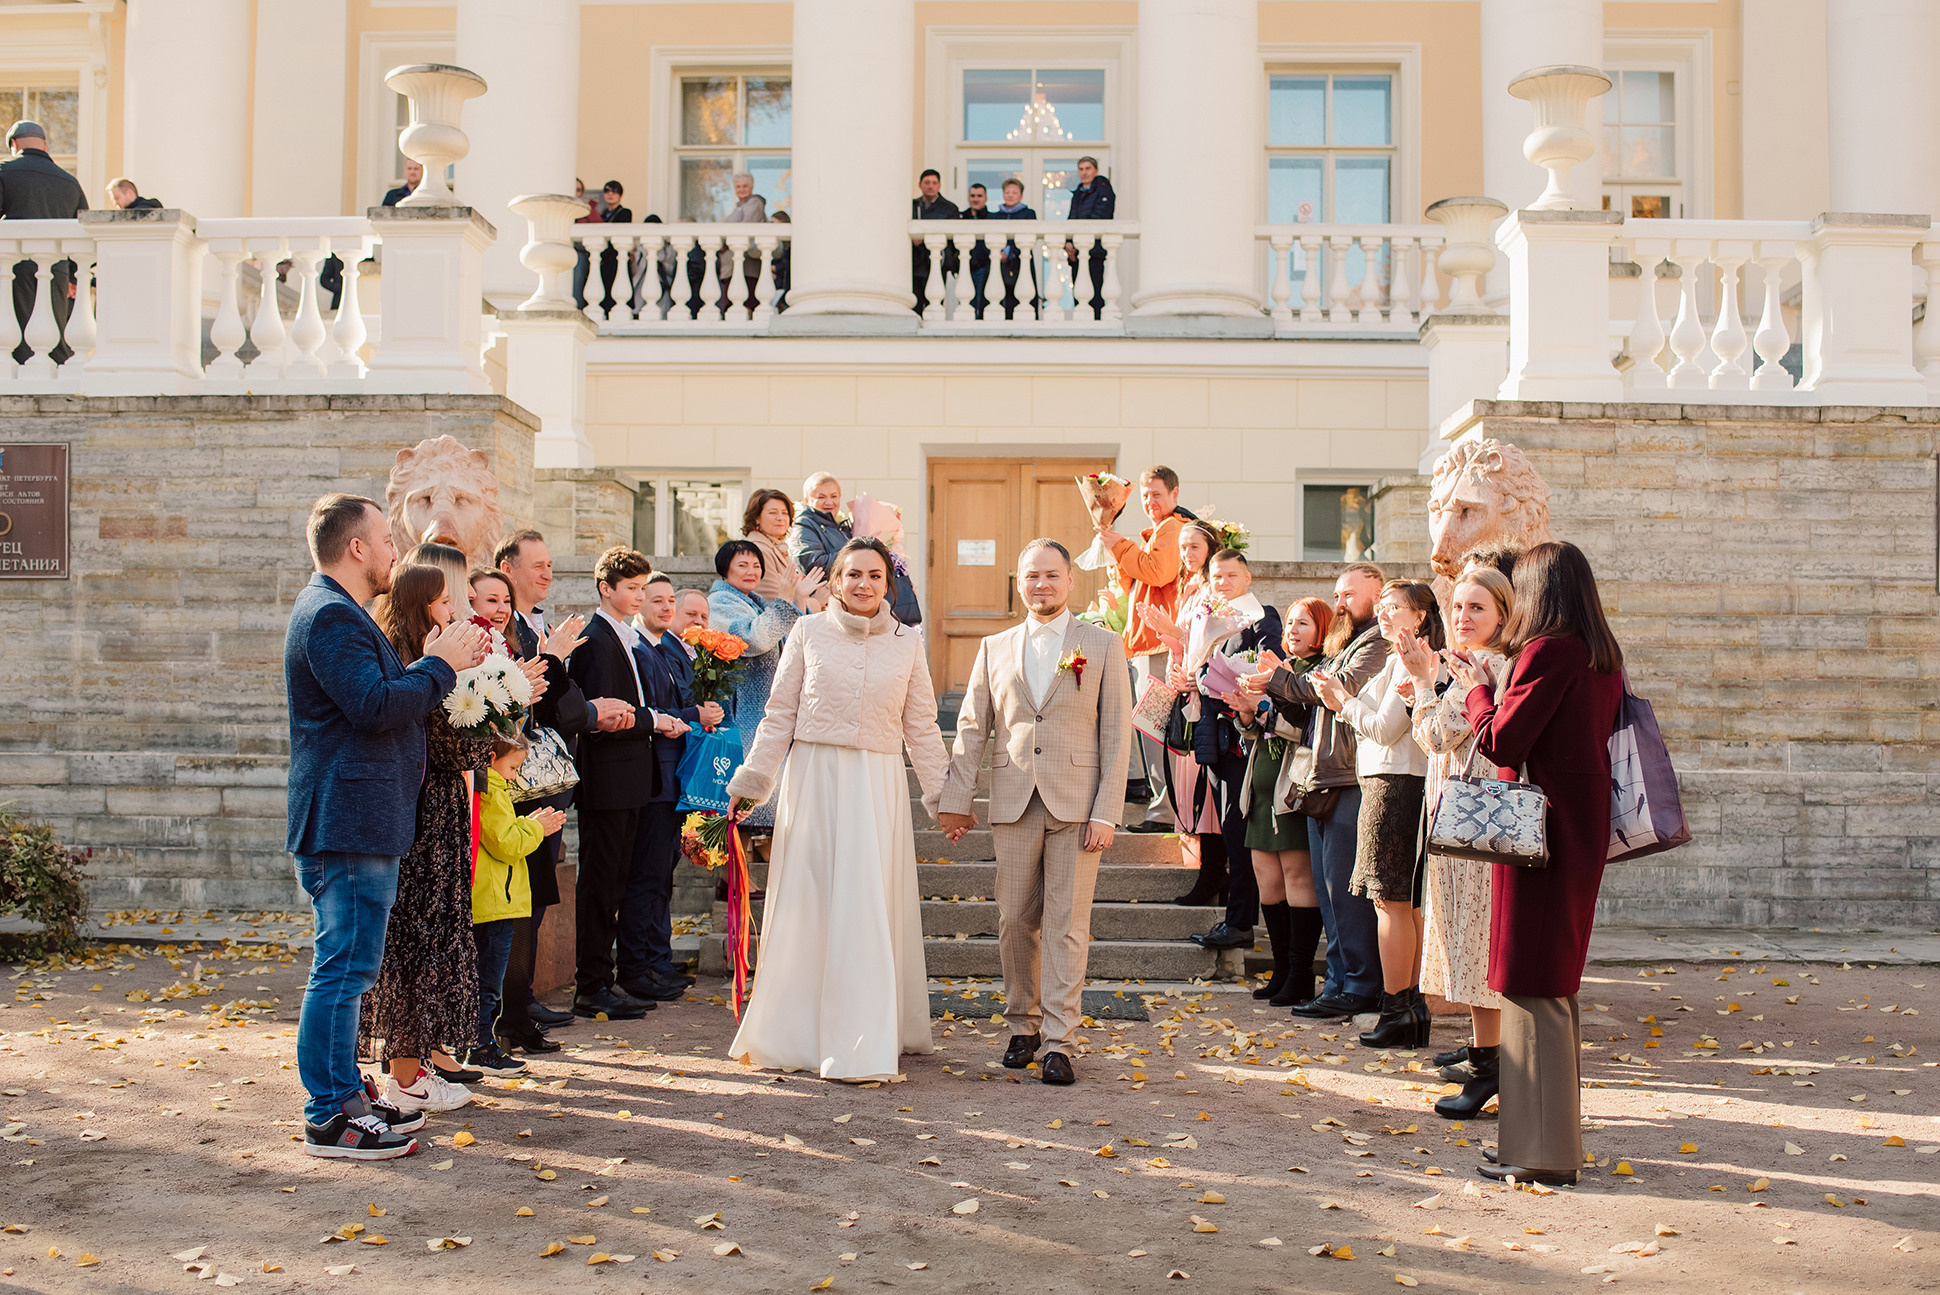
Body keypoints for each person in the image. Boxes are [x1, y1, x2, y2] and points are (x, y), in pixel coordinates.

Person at [284, 494, 485, 1160]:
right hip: (348, 821)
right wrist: (440, 664)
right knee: (342, 970)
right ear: (357, 548)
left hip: (362, 818)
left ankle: (348, 1098)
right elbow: (374, 706)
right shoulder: (332, 617)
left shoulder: (339, 614)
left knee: (352, 968)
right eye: (385, 540)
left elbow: (379, 698)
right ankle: (328, 1115)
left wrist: (429, 661)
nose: (396, 552)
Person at [724, 537, 951, 1081]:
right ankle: (796, 1033)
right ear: (835, 581)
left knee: (866, 904)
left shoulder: (907, 643)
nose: (864, 584)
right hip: (815, 781)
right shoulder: (807, 632)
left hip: (877, 783)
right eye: (853, 574)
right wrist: (753, 781)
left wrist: (946, 797)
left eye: (874, 575)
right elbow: (778, 714)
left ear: (887, 584)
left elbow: (920, 725)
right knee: (812, 901)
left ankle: (867, 1036)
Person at [1454, 542, 1622, 1186]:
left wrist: (1475, 690)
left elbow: (1501, 738)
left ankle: (1545, 1155)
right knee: (1548, 984)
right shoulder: (1599, 653)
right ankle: (1536, 1142)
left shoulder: (1550, 651)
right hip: (1571, 827)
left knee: (1535, 985)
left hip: (1542, 833)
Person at [938, 538, 1132, 1086]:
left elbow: (1117, 733)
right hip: (1014, 800)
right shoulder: (994, 647)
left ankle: (1059, 1042)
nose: (1041, 585)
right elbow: (973, 727)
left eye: (1051, 575)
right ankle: (1021, 1025)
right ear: (1018, 583)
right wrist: (957, 801)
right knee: (1014, 921)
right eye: (1031, 576)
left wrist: (1107, 812)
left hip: (1077, 805)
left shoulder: (1101, 644)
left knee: (1068, 926)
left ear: (1070, 581)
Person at [358, 548, 496, 1114]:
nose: (452, 608)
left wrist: (502, 698)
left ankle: (416, 1068)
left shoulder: (427, 665)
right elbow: (445, 746)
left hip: (440, 814)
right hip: (422, 819)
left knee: (432, 938)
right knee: (415, 944)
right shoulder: (415, 668)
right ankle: (407, 1078)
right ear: (421, 608)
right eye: (443, 600)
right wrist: (490, 716)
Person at [1248, 562, 1389, 1022]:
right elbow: (1309, 699)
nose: (1340, 602)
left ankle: (1361, 985)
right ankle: (1338, 982)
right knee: (1331, 893)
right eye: (1337, 594)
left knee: (1346, 892)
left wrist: (1277, 679)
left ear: (1379, 593)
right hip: (1323, 777)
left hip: (1349, 778)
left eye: (1349, 594)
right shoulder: (1345, 642)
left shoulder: (1378, 643)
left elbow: (1337, 689)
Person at [494, 530, 614, 1051]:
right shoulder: (508, 631)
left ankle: (519, 1003)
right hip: (516, 781)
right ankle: (506, 1009)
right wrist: (554, 661)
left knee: (537, 898)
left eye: (550, 565)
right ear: (506, 567)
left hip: (546, 778)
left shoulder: (537, 625)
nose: (547, 573)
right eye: (536, 565)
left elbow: (564, 704)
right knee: (518, 901)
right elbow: (553, 706)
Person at [1311, 580, 1444, 1048]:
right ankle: (1408, 1007)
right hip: (1386, 780)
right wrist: (1344, 701)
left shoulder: (1417, 660)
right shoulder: (1393, 660)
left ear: (1422, 617)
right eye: (1382, 606)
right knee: (1396, 902)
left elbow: (1385, 728)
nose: (1383, 614)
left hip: (1395, 783)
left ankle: (1398, 1008)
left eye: (1394, 608)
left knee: (1390, 900)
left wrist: (1341, 702)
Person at [1404, 566, 1513, 1118]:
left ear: (1503, 616)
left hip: (1474, 830)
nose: (1463, 617)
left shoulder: (1487, 665)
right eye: (1459, 607)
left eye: (1478, 608)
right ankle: (1488, 1060)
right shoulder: (1477, 664)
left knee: (1475, 948)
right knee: (1476, 947)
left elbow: (1433, 735)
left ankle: (1489, 1067)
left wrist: (1423, 682)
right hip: (1467, 824)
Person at [567, 546, 689, 1020]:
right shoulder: (596, 638)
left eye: (643, 588)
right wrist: (655, 722)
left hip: (633, 777)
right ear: (606, 589)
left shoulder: (622, 635)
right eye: (632, 588)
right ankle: (591, 985)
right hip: (608, 780)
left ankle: (610, 978)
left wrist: (651, 719)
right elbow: (599, 714)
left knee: (618, 883)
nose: (639, 596)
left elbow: (627, 707)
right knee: (600, 885)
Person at [616, 573, 723, 1002]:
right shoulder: (641, 650)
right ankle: (639, 966)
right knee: (647, 876)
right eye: (656, 600)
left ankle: (655, 960)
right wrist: (695, 713)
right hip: (655, 776)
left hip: (673, 773)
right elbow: (653, 712)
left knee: (661, 877)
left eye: (668, 600)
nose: (663, 607)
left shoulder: (661, 650)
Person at [1226, 597, 1331, 1005]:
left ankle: (1301, 973)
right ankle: (1282, 968)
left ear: (1322, 630)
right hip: (1259, 792)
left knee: (1297, 881)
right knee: (1268, 885)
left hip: (1293, 792)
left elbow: (1305, 730)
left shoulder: (1315, 674)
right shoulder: (1275, 671)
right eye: (1289, 622)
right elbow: (1257, 736)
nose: (1292, 630)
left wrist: (1265, 711)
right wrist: (1247, 717)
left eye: (1303, 623)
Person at [1181, 549, 1280, 953]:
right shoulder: (1207, 621)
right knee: (1228, 827)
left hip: (1246, 737)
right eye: (1216, 577)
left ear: (1248, 578)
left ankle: (1240, 922)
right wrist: (1192, 675)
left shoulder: (1262, 616)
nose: (1222, 583)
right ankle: (1236, 918)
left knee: (1240, 833)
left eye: (1230, 576)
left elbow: (1268, 665)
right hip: (1217, 735)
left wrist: (1215, 679)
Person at [1129, 519, 1221, 899]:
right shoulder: (1189, 588)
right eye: (1182, 548)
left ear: (1211, 549)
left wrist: (1175, 632)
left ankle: (1214, 874)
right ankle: (1202, 868)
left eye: (1194, 547)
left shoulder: (1215, 589)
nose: (1186, 554)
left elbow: (1215, 641)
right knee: (1185, 788)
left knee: (1205, 793)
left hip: (1202, 696)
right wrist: (1166, 633)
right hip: (1181, 689)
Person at [470, 733, 567, 1078]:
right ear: (493, 757)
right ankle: (481, 1047)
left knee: (485, 980)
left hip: (495, 899)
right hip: (495, 901)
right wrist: (536, 827)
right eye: (513, 766)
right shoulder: (491, 788)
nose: (515, 775)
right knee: (488, 982)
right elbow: (506, 842)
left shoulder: (491, 785)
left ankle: (479, 1044)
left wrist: (529, 824)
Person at [710, 538, 822, 830]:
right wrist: (785, 601)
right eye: (742, 565)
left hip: (766, 717)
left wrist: (797, 599)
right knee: (743, 812)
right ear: (725, 570)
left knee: (769, 810)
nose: (751, 571)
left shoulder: (756, 602)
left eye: (757, 565)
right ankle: (733, 876)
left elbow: (790, 642)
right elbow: (753, 640)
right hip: (742, 715)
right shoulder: (720, 603)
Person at [1102, 466, 1188, 831]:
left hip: (1157, 645)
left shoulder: (1173, 528)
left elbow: (1156, 572)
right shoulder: (1160, 530)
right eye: (1144, 496)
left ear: (1174, 495)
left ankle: (1164, 811)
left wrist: (1119, 545)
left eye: (1156, 494)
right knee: (1151, 727)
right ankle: (1161, 804)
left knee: (1155, 727)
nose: (1150, 502)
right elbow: (1137, 578)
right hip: (1145, 644)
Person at [3, 120, 87, 367]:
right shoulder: (70, 182)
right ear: (45, 145)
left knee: (17, 338)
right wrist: (73, 275)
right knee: (53, 334)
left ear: (14, 144)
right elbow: (81, 230)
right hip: (57, 270)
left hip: (14, 269)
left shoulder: (4, 171)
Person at [789, 472, 922, 625]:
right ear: (807, 500)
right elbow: (813, 563)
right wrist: (859, 549)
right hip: (827, 607)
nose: (829, 502)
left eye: (834, 496)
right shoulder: (803, 525)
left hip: (850, 604)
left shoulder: (839, 525)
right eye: (821, 497)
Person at [1064, 156, 1114, 317]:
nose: (1084, 172)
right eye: (1081, 169)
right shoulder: (1077, 194)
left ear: (1096, 170)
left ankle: (1097, 322)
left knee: (1094, 290)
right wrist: (1069, 242)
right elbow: (1071, 219)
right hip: (1077, 252)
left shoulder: (1103, 189)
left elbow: (1102, 215)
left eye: (1088, 168)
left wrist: (1079, 237)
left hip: (1094, 250)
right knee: (1078, 291)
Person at [910, 168, 960, 313]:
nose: (930, 186)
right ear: (920, 185)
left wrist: (924, 238)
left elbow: (952, 238)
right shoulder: (913, 206)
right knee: (915, 304)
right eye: (927, 182)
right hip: (915, 262)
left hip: (937, 263)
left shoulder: (949, 209)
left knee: (935, 304)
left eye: (934, 183)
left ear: (939, 186)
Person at [742, 487, 800, 604]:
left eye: (785, 513)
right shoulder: (758, 550)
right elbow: (774, 599)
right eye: (773, 513)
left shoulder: (776, 547)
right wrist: (815, 601)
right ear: (756, 518)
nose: (780, 518)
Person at [993, 176, 1038, 319]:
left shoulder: (1028, 214)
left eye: (1014, 192)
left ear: (1021, 195)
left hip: (1020, 261)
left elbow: (1027, 235)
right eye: (1007, 192)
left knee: (1024, 294)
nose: (1010, 195)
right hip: (999, 262)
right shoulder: (995, 216)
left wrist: (1009, 252)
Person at [962, 183, 995, 319]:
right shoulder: (961, 217)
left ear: (986, 198)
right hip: (965, 266)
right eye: (973, 196)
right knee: (965, 302)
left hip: (985, 266)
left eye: (979, 196)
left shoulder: (993, 218)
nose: (976, 199)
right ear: (969, 198)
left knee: (983, 302)